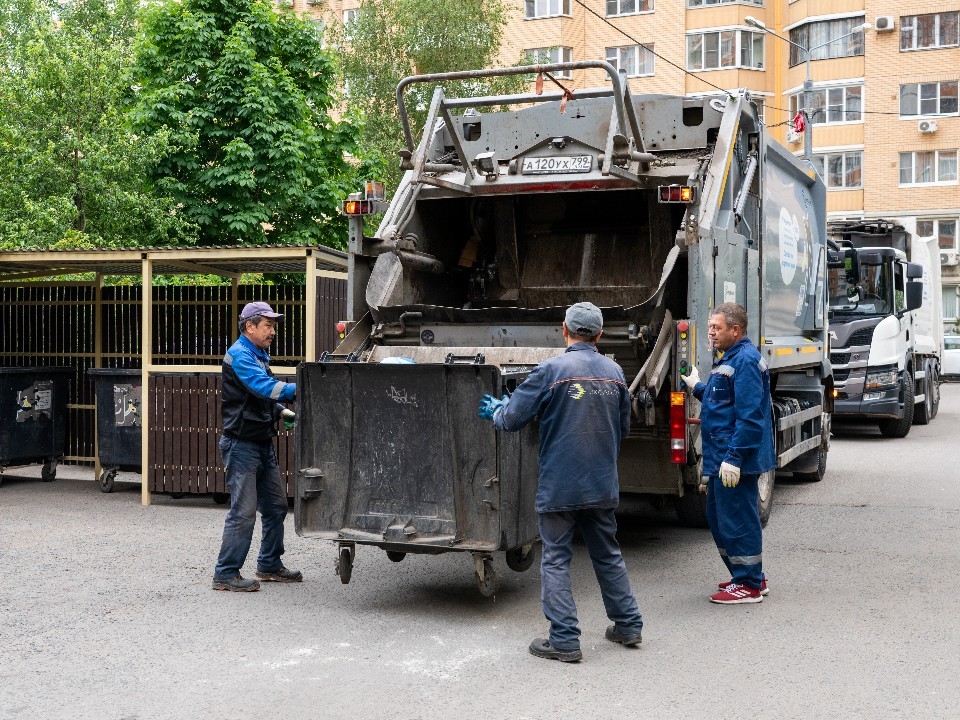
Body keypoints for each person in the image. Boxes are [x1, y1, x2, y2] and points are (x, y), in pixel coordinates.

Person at [478, 302, 644, 662]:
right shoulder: (615, 372)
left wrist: (498, 411)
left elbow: (511, 420)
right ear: (599, 335)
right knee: (608, 554)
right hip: (601, 484)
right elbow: (624, 429)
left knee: (555, 559)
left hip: (560, 486)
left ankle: (565, 640)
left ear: (564, 330)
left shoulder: (551, 370)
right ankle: (628, 626)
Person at [681, 303, 775, 605]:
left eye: (716, 327)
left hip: (734, 458)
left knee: (736, 518)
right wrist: (697, 386)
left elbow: (749, 417)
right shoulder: (732, 359)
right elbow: (721, 402)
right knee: (719, 516)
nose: (710, 331)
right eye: (709, 326)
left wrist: (734, 458)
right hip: (722, 456)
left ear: (735, 330)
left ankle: (748, 584)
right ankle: (746, 574)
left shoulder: (745, 361)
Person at [212, 301, 301, 592]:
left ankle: (269, 565)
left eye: (273, 326)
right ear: (250, 326)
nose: (273, 331)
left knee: (275, 507)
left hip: (260, 442)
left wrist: (279, 411)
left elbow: (260, 397)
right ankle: (225, 573)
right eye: (268, 325)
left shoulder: (258, 353)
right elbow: (263, 387)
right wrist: (300, 389)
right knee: (244, 511)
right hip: (242, 446)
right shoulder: (240, 355)